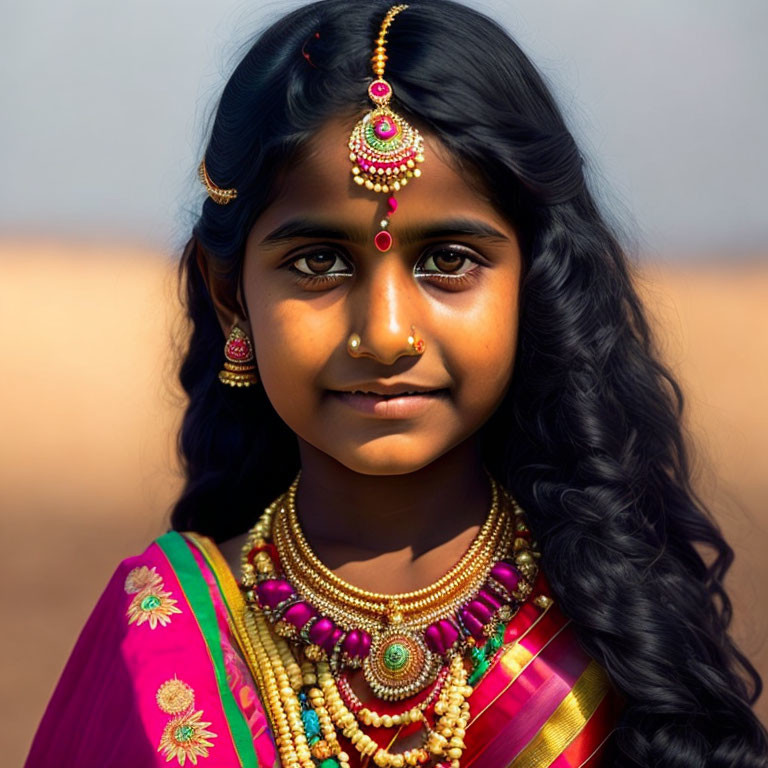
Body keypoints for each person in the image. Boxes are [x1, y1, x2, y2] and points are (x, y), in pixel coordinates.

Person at [25, 1, 768, 766]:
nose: (384, 335)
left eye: (448, 260)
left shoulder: (618, 645)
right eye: (319, 263)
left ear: (533, 289)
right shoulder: (166, 632)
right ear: (229, 294)